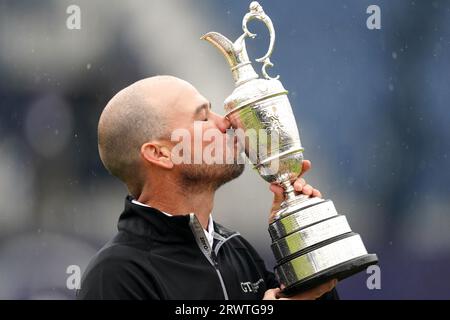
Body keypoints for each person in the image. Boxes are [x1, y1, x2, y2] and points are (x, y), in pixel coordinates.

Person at [77, 75, 338, 300]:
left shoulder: (235, 249)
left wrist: (295, 237)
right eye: (202, 118)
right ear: (160, 153)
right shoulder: (115, 275)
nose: (225, 123)